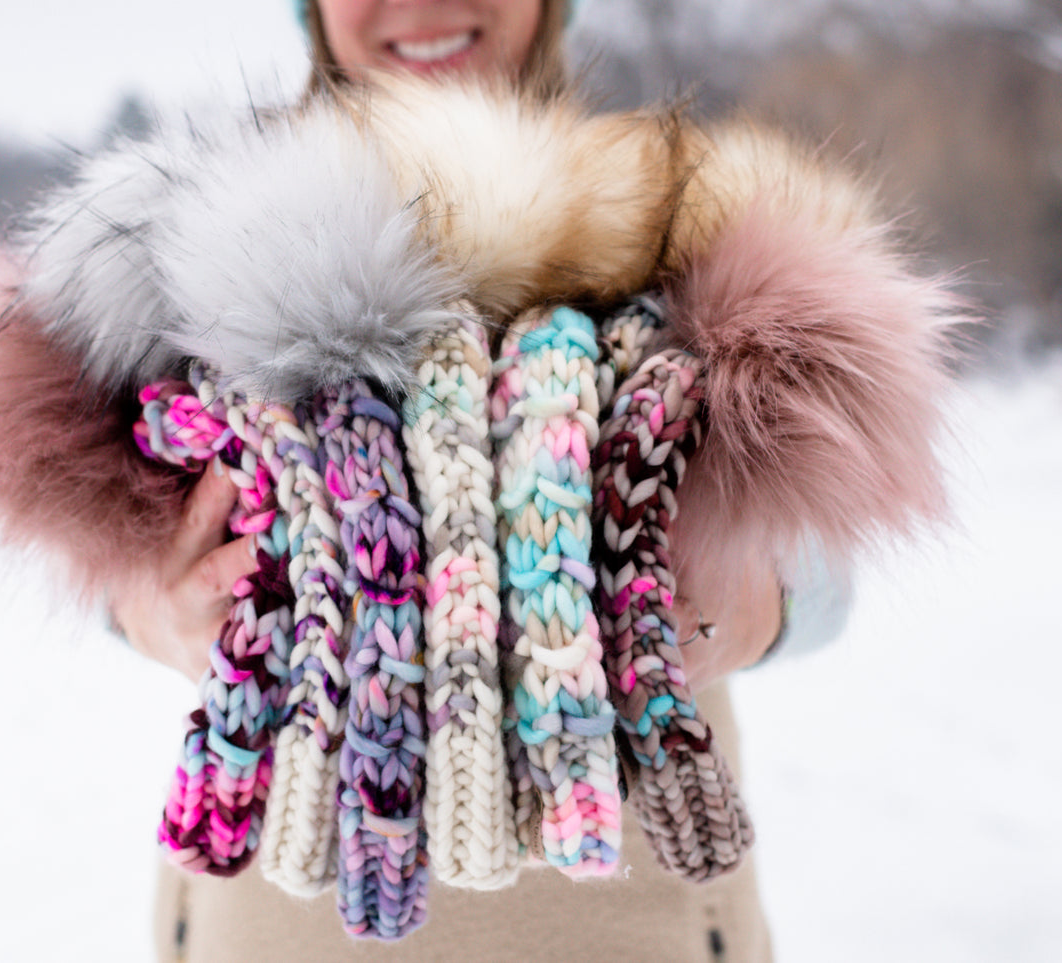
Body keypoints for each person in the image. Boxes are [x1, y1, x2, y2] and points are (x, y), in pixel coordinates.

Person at [105, 2, 856, 961]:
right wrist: (139, 600)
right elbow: (83, 502)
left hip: (627, 915)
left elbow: (836, 539)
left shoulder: (687, 218)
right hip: (281, 913)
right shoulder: (200, 230)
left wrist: (765, 595)